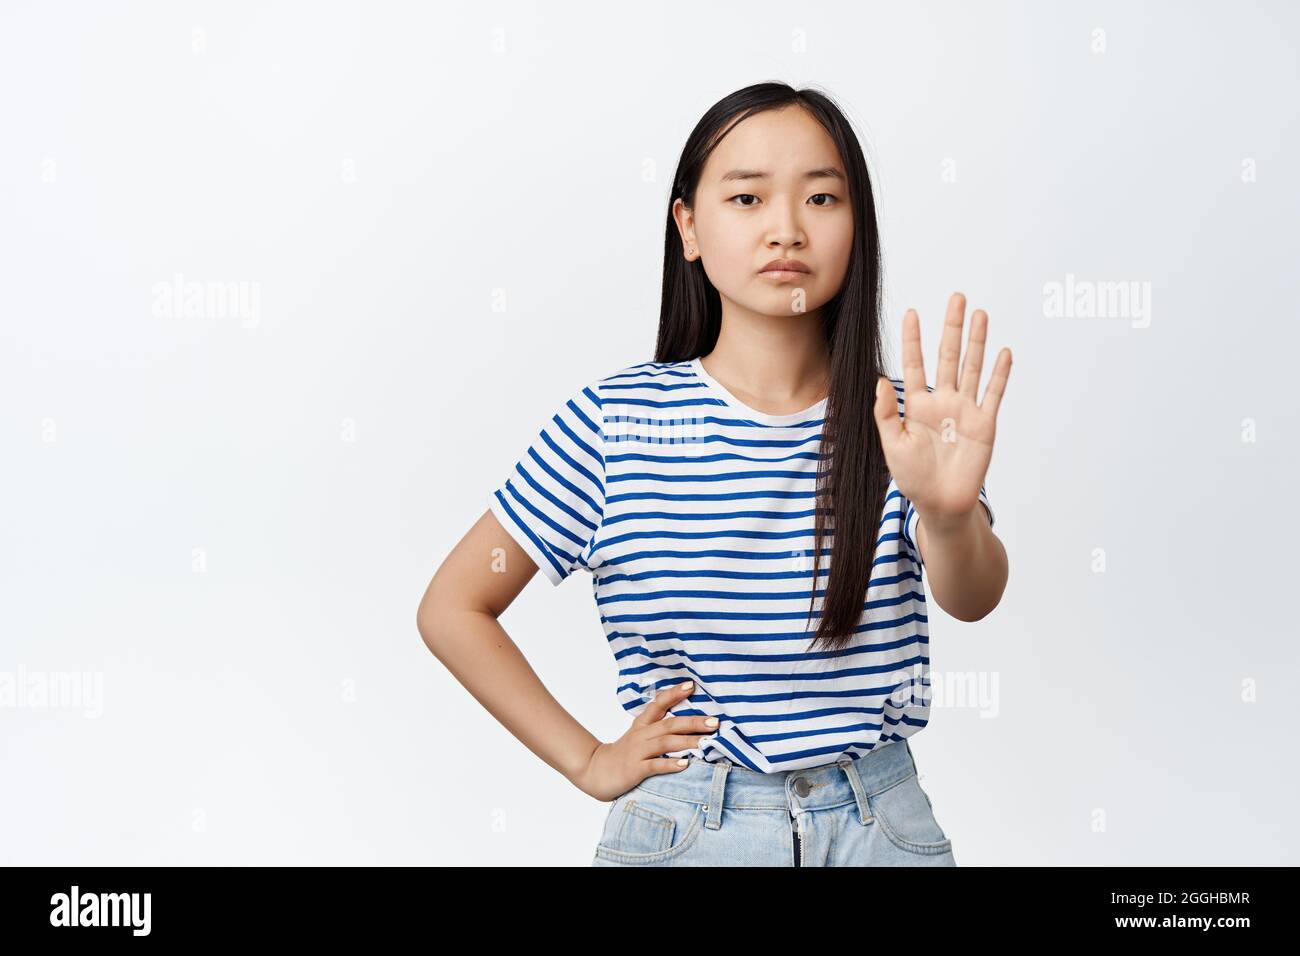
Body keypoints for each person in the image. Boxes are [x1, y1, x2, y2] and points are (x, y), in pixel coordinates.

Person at [417, 82, 1011, 866]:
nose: (787, 229)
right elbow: (454, 607)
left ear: (857, 226)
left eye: (823, 197)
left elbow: (972, 600)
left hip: (881, 827)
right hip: (692, 829)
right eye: (747, 198)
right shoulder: (615, 421)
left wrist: (948, 514)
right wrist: (589, 759)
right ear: (689, 227)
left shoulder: (903, 421)